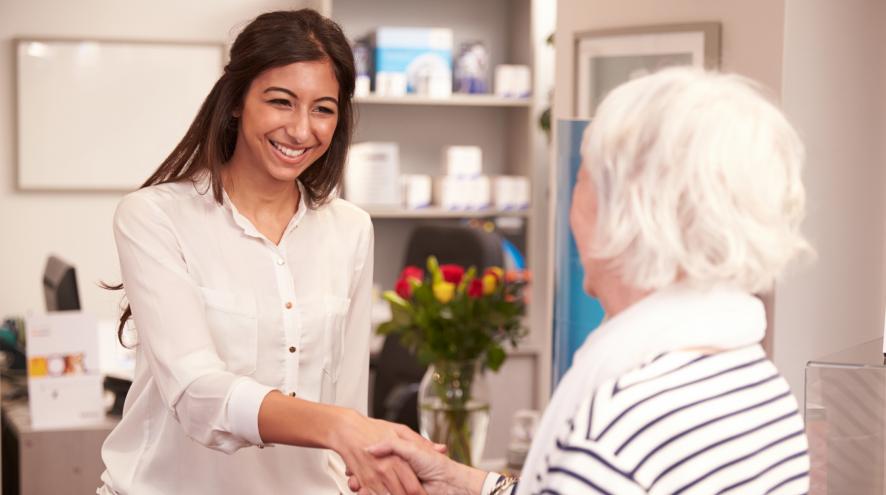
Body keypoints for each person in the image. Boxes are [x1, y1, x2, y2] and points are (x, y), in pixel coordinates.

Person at [349, 67, 813, 494]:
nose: (570, 203)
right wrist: (457, 481)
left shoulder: (616, 428)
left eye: (583, 178)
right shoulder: (760, 386)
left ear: (627, 212)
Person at [98, 9, 435, 495]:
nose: (301, 130)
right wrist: (338, 426)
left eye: (323, 108)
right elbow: (197, 392)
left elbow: (349, 399)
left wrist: (363, 453)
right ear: (236, 100)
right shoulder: (154, 217)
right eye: (281, 102)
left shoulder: (351, 229)